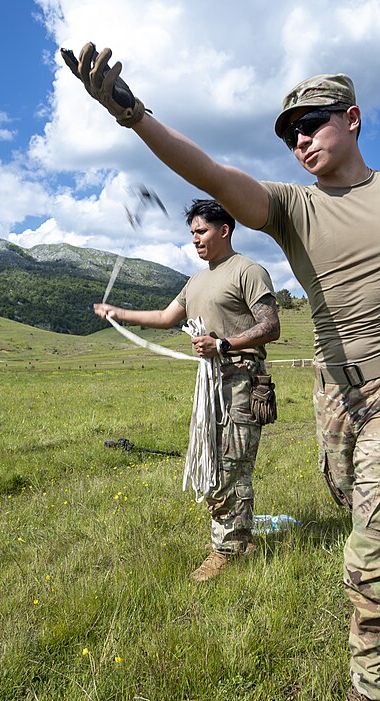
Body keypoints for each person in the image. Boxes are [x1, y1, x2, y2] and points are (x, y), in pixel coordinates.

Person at [61, 44, 380, 701]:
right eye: (289, 132)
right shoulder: (290, 206)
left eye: (313, 122)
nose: (300, 139)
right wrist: (133, 115)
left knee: (374, 555)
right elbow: (209, 169)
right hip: (335, 393)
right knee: (360, 510)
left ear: (352, 118)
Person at [93, 199, 281, 582]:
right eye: (192, 233)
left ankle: (228, 549)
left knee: (232, 464)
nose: (195, 239)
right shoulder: (196, 280)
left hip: (241, 381)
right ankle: (236, 540)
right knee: (212, 462)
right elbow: (165, 318)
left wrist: (224, 344)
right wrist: (118, 312)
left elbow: (271, 326)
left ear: (224, 230)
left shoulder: (248, 271)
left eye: (202, 231)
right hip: (209, 384)